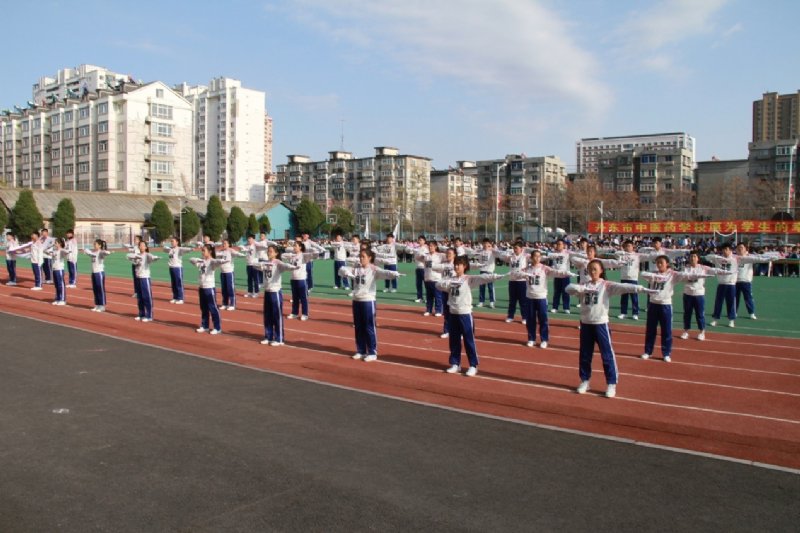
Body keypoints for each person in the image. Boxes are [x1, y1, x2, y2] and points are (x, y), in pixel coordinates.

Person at [566, 259, 655, 398]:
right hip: (586, 324)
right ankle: (585, 381)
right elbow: (568, 289)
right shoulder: (583, 285)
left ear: (601, 271)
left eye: (595, 269)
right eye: (590, 269)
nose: (592, 271)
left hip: (601, 324)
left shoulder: (606, 285)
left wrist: (641, 289)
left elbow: (624, 287)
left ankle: (611, 383)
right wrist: (581, 289)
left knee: (607, 354)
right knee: (585, 354)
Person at [436, 256, 505, 377]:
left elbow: (482, 278)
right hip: (453, 313)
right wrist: (448, 282)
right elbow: (438, 285)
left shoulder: (469, 279)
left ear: (465, 266)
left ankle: (473, 365)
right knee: (454, 340)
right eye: (455, 264)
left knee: (469, 340)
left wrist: (495, 276)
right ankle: (455, 363)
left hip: (465, 314)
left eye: (459, 265)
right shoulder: (450, 279)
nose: (456, 267)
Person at [640, 256, 712, 362]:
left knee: (666, 330)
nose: (659, 265)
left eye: (661, 263)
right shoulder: (653, 274)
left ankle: (666, 353)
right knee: (650, 330)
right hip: (653, 304)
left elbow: (688, 275)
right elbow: (642, 274)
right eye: (657, 263)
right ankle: (648, 352)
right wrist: (656, 275)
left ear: (667, 264)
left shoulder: (672, 274)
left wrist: (702, 275)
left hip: (665, 305)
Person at [338, 248, 404, 361]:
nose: (361, 259)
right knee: (358, 327)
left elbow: (385, 273)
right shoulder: (356, 268)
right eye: (360, 256)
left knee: (369, 326)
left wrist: (394, 274)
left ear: (369, 258)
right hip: (356, 300)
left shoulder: (373, 269)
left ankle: (372, 352)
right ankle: (361, 350)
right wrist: (347, 273)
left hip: (368, 300)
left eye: (363, 257)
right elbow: (341, 269)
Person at [521, 250, 573, 348]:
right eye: (535, 256)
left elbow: (556, 272)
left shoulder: (544, 268)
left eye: (539, 256)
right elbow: (517, 274)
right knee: (530, 319)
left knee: (543, 319)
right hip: (530, 297)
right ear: (531, 258)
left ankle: (544, 339)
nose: (537, 258)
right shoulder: (526, 269)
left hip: (541, 297)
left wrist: (566, 273)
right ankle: (531, 339)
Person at [706, 243, 765, 328]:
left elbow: (757, 259)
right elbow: (707, 257)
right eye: (723, 249)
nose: (725, 251)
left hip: (733, 283)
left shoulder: (736, 258)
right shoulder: (719, 259)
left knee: (732, 302)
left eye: (727, 249)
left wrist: (770, 258)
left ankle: (732, 320)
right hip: (722, 284)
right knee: (718, 302)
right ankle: (715, 319)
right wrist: (717, 257)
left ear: (730, 250)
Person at [255, 244, 300, 346]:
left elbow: (286, 266)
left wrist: (293, 267)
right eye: (268, 251)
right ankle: (268, 336)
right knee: (267, 315)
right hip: (267, 291)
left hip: (275, 292)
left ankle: (279, 338)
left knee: (277, 315)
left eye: (271, 251)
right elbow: (256, 265)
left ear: (276, 253)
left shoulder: (278, 263)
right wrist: (259, 265)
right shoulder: (266, 263)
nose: (269, 253)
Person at [680, 250, 727, 341]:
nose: (692, 258)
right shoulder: (685, 268)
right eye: (691, 256)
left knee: (700, 314)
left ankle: (702, 332)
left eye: (694, 256)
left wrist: (725, 271)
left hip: (699, 294)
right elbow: (681, 278)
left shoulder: (703, 268)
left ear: (698, 258)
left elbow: (714, 270)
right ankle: (686, 331)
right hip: (688, 294)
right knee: (687, 314)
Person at [189, 244, 229, 335]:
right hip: (201, 287)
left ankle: (217, 327)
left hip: (209, 288)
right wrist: (199, 260)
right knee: (203, 308)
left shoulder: (211, 262)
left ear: (210, 251)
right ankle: (205, 325)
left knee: (213, 307)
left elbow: (217, 261)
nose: (202, 252)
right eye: (202, 250)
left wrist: (222, 260)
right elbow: (191, 260)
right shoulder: (201, 261)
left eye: (204, 250)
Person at [283, 240, 324, 320]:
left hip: (301, 279)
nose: (294, 247)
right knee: (295, 297)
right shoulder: (292, 255)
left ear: (300, 247)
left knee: (303, 298)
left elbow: (315, 255)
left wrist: (313, 249)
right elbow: (283, 255)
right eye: (294, 246)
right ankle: (294, 313)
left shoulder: (304, 255)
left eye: (296, 246)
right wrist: (291, 255)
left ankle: (305, 314)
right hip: (293, 278)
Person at [733, 243, 773, 320]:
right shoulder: (734, 258)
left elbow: (760, 259)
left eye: (741, 247)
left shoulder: (750, 257)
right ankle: (734, 312)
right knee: (735, 298)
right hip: (735, 281)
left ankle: (751, 313)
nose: (740, 249)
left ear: (746, 249)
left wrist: (770, 259)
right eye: (738, 248)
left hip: (746, 281)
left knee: (748, 298)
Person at [495, 240, 532, 324]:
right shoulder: (511, 257)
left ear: (521, 249)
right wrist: (506, 251)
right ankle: (510, 316)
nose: (515, 250)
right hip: (512, 281)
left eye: (516, 248)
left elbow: (534, 256)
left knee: (523, 301)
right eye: (514, 248)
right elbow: (501, 255)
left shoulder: (525, 256)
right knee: (512, 301)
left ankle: (525, 317)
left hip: (522, 281)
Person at [127, 241, 160, 322]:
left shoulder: (147, 255)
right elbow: (128, 256)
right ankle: (141, 314)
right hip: (138, 277)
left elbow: (152, 257)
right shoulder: (137, 255)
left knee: (147, 297)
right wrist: (135, 257)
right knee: (140, 297)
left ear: (146, 247)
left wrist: (155, 257)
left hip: (145, 278)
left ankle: (149, 315)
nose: (141, 247)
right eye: (140, 245)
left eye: (143, 245)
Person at [614, 240, 644, 320]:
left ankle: (635, 313)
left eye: (629, 246)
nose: (628, 248)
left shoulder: (637, 256)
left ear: (633, 246)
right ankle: (623, 313)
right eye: (626, 246)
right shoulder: (622, 255)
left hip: (633, 278)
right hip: (624, 278)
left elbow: (647, 256)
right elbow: (615, 254)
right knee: (624, 297)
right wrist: (623, 252)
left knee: (634, 297)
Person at [415, 240, 445, 317]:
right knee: (429, 296)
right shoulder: (426, 256)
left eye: (432, 246)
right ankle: (428, 310)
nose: (430, 247)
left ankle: (438, 310)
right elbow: (417, 257)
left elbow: (448, 257)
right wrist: (422, 248)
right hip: (428, 278)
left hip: (437, 279)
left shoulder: (440, 255)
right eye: (429, 246)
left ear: (435, 247)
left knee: (438, 296)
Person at [432, 248, 457, 338]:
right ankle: (447, 331)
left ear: (454, 255)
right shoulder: (443, 265)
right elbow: (433, 266)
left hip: (454, 292)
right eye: (447, 253)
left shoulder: (457, 265)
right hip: (445, 291)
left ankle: (459, 331)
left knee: (456, 312)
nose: (448, 255)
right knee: (446, 312)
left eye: (450, 253)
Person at [545, 239, 574, 313]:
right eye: (557, 244)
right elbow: (551, 262)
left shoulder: (567, 253)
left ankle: (566, 308)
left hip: (565, 275)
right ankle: (555, 307)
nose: (558, 245)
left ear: (563, 245)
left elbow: (574, 258)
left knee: (566, 292)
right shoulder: (554, 253)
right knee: (557, 292)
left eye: (560, 244)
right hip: (557, 275)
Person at [83, 239, 111, 312]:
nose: (94, 245)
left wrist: (105, 251)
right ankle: (97, 304)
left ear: (99, 245)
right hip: (93, 272)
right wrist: (87, 251)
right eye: (94, 244)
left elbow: (106, 253)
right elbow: (89, 253)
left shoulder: (100, 252)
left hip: (99, 273)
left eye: (95, 244)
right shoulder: (93, 253)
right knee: (95, 289)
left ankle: (102, 305)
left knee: (100, 289)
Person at [165, 237, 193, 304]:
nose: (172, 242)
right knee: (173, 283)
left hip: (177, 268)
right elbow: (164, 249)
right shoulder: (170, 249)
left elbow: (185, 249)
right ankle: (175, 297)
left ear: (177, 242)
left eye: (173, 241)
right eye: (171, 241)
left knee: (179, 283)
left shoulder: (179, 249)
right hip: (171, 267)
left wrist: (191, 249)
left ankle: (180, 298)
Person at [474, 238, 497, 308]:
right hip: (482, 271)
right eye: (484, 243)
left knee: (490, 287)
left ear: (489, 244)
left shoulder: (492, 251)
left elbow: (498, 252)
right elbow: (474, 254)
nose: (485, 245)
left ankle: (492, 302)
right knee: (481, 287)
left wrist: (492, 248)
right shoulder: (480, 252)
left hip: (490, 271)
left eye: (487, 243)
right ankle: (481, 301)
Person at [217, 239, 237, 311]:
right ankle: (225, 303)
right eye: (223, 243)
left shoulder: (231, 251)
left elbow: (237, 254)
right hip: (222, 272)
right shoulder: (221, 252)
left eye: (225, 243)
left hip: (229, 272)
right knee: (224, 289)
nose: (223, 245)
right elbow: (215, 254)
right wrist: (219, 249)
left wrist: (231, 250)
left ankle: (232, 304)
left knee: (230, 288)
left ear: (228, 244)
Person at [48, 238, 70, 305]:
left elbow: (67, 251)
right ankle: (57, 298)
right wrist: (50, 246)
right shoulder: (54, 251)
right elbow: (46, 251)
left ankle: (62, 299)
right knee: (56, 285)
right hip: (54, 269)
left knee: (61, 285)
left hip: (59, 269)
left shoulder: (61, 251)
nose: (55, 244)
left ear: (59, 244)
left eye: (56, 243)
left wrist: (63, 247)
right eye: (55, 243)